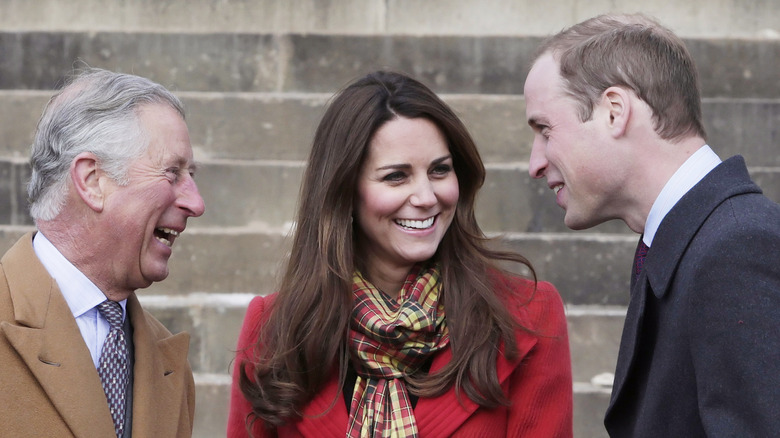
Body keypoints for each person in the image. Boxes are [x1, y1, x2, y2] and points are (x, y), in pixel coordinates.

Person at [228, 71, 573, 437]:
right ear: (345, 192)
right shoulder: (274, 329)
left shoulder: (528, 315)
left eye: (440, 170)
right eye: (396, 176)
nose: (426, 197)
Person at [524, 13, 780, 437]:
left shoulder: (737, 247)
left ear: (614, 112)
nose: (535, 163)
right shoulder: (696, 241)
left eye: (545, 130)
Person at [0, 67, 205, 437]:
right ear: (93, 181)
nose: (196, 202)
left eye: (192, 176)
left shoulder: (168, 363)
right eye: (172, 173)